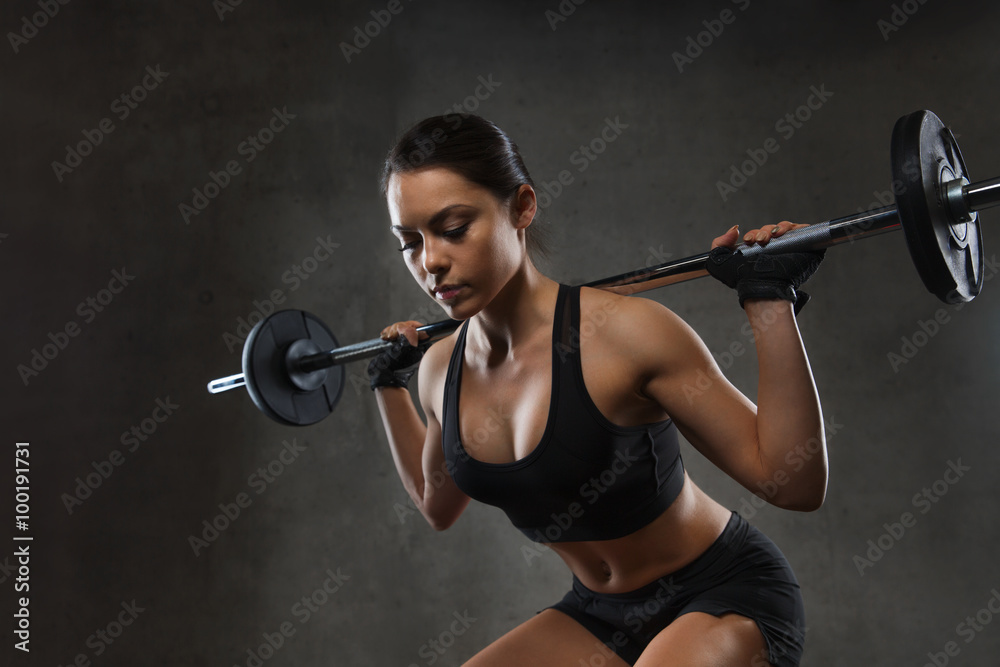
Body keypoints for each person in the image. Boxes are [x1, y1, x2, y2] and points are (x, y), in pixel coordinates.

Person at [367, 113, 827, 667]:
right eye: (409, 242)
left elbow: (794, 482)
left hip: (720, 594)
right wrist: (388, 383)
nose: (431, 261)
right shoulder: (440, 368)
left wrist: (769, 299)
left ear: (522, 207)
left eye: (454, 228)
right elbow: (437, 504)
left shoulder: (626, 335)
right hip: (599, 615)